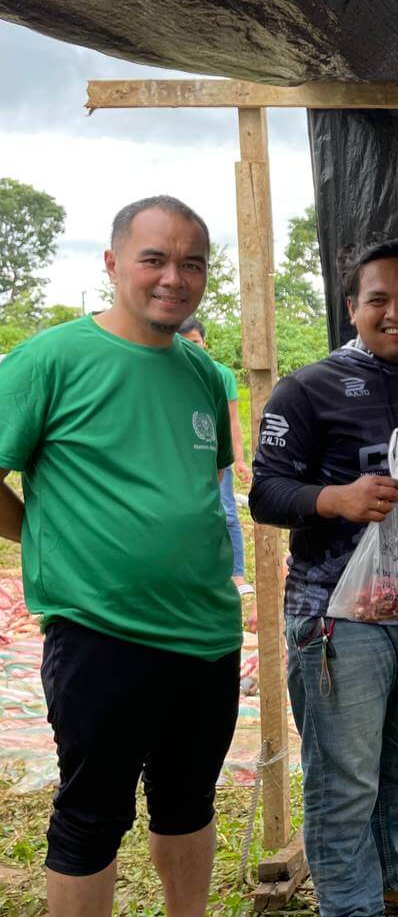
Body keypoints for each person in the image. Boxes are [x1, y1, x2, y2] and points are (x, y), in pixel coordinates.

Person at [0, 196, 241, 917]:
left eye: (192, 264)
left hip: (207, 632)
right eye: (154, 259)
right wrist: (39, 532)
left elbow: (200, 488)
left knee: (189, 801)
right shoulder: (50, 360)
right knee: (93, 814)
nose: (174, 277)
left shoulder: (204, 375)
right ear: (112, 263)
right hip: (101, 632)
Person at [249, 238, 398, 917]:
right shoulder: (307, 390)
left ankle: (393, 881)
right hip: (337, 619)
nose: (394, 312)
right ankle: (352, 906)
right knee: (344, 783)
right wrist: (335, 498)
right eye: (378, 299)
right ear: (352, 308)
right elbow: (265, 493)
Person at [178, 316, 254, 596]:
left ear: (204, 343)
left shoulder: (221, 374)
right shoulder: (170, 373)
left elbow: (232, 420)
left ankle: (236, 574)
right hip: (183, 458)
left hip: (214, 453)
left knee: (228, 513)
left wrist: (239, 459)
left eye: (195, 342)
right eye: (184, 343)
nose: (191, 348)